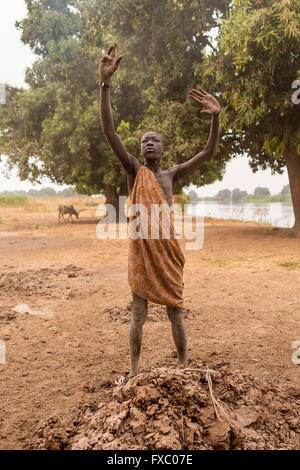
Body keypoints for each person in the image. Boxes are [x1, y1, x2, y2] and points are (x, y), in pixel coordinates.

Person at [99, 44, 221, 375]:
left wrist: (216, 118)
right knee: (138, 312)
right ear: (139, 150)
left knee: (175, 311)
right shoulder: (134, 170)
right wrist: (105, 85)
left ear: (163, 148)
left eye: (154, 140)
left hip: (167, 252)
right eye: (143, 142)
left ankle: (183, 363)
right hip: (142, 250)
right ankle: (135, 369)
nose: (148, 143)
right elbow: (109, 132)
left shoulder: (171, 174)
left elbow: (208, 153)